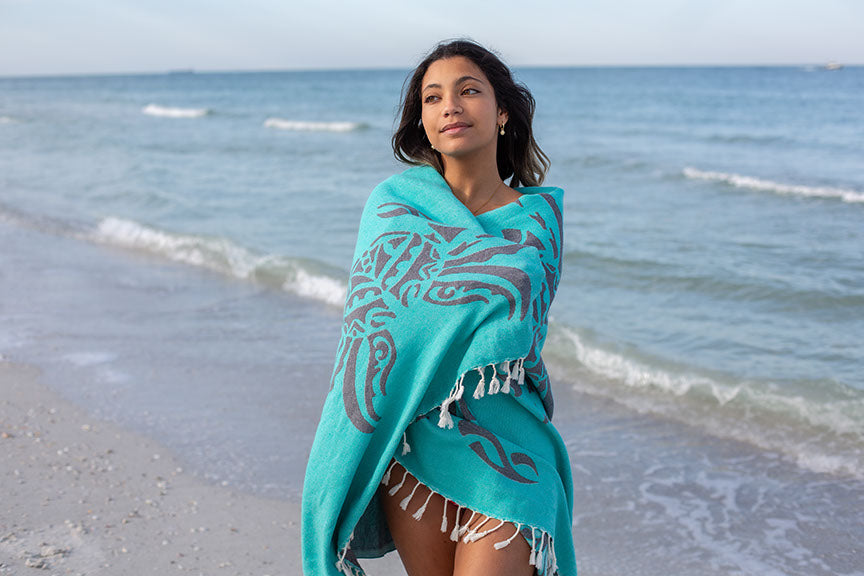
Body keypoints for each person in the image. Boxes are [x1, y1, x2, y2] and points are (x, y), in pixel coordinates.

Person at [302, 39, 576, 576]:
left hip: (512, 448)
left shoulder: (539, 220)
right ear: (424, 124)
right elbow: (368, 333)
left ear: (502, 112)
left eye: (468, 91)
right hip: (416, 444)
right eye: (433, 98)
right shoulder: (393, 207)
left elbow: (521, 335)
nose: (450, 105)